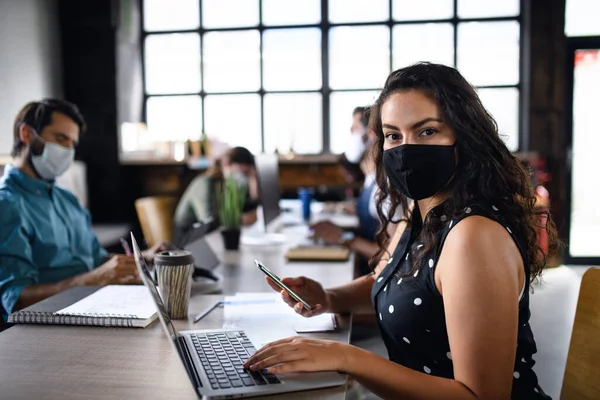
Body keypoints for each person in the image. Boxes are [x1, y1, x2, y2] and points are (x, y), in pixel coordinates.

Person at [243, 63, 558, 399]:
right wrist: (330, 298)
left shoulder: (473, 236)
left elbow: (480, 396)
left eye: (426, 131)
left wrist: (345, 358)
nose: (407, 148)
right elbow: (395, 280)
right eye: (394, 135)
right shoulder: (419, 209)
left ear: (465, 136)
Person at [0, 99, 166, 323]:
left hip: (94, 308)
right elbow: (15, 300)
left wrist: (143, 259)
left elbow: (95, 260)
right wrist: (93, 279)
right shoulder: (7, 205)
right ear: (27, 134)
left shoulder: (66, 199)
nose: (68, 150)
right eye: (61, 139)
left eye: (72, 143)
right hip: (45, 328)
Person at [314, 107, 400, 276]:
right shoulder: (372, 178)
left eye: (355, 129)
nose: (352, 135)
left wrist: (343, 239)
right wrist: (339, 231)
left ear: (372, 134)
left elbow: (389, 255)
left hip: (377, 279)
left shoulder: (387, 186)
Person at [174, 146, 259, 232]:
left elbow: (252, 206)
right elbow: (208, 221)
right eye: (244, 173)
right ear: (227, 165)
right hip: (190, 239)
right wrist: (242, 219)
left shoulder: (233, 187)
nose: (243, 177)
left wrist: (252, 179)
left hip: (213, 237)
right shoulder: (204, 183)